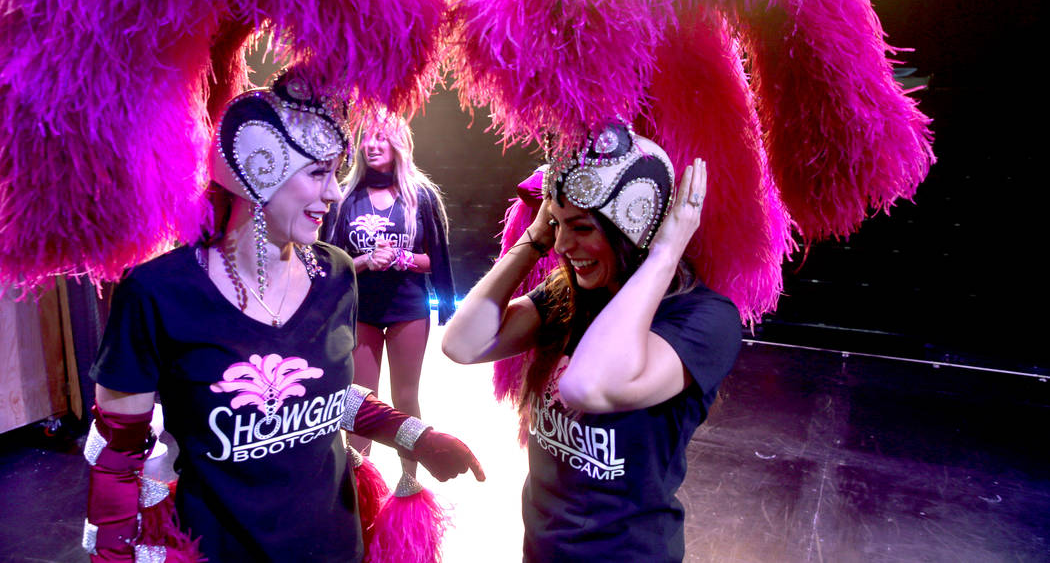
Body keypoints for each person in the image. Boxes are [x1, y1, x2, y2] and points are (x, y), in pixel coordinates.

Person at [86, 75, 482, 563]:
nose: (335, 193)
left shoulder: (335, 273)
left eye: (336, 173)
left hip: (337, 547)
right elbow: (117, 459)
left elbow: (327, 394)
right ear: (257, 171)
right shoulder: (157, 294)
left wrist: (415, 436)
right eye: (318, 173)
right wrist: (113, 554)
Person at [442, 123, 742, 562]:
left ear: (635, 229)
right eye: (557, 224)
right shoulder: (566, 295)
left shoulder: (704, 318)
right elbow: (461, 344)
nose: (562, 244)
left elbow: (587, 387)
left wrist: (664, 251)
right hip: (543, 550)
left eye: (580, 227)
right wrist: (534, 239)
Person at [323, 115, 454, 476]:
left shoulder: (420, 195)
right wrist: (366, 260)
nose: (374, 144)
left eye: (382, 137)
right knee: (361, 399)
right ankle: (361, 486)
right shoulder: (345, 196)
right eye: (366, 138)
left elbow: (436, 260)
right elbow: (331, 259)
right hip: (360, 310)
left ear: (398, 144)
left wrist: (402, 257)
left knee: (405, 398)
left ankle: (409, 483)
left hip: (408, 310)